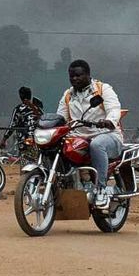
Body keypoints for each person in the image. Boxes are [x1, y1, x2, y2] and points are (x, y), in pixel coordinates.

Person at [56, 59, 124, 208]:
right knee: (57, 146)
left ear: (88, 75)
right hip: (79, 136)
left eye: (78, 75)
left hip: (107, 134)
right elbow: (61, 117)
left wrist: (108, 121)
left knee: (97, 144)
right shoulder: (68, 95)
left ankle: (100, 188)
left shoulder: (102, 89)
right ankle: (66, 184)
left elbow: (114, 108)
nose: (74, 79)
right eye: (72, 76)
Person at [0, 86, 39, 155]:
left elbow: (12, 125)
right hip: (38, 141)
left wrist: (4, 139)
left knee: (25, 161)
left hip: (24, 142)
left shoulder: (18, 110)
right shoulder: (37, 108)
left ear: (20, 96)